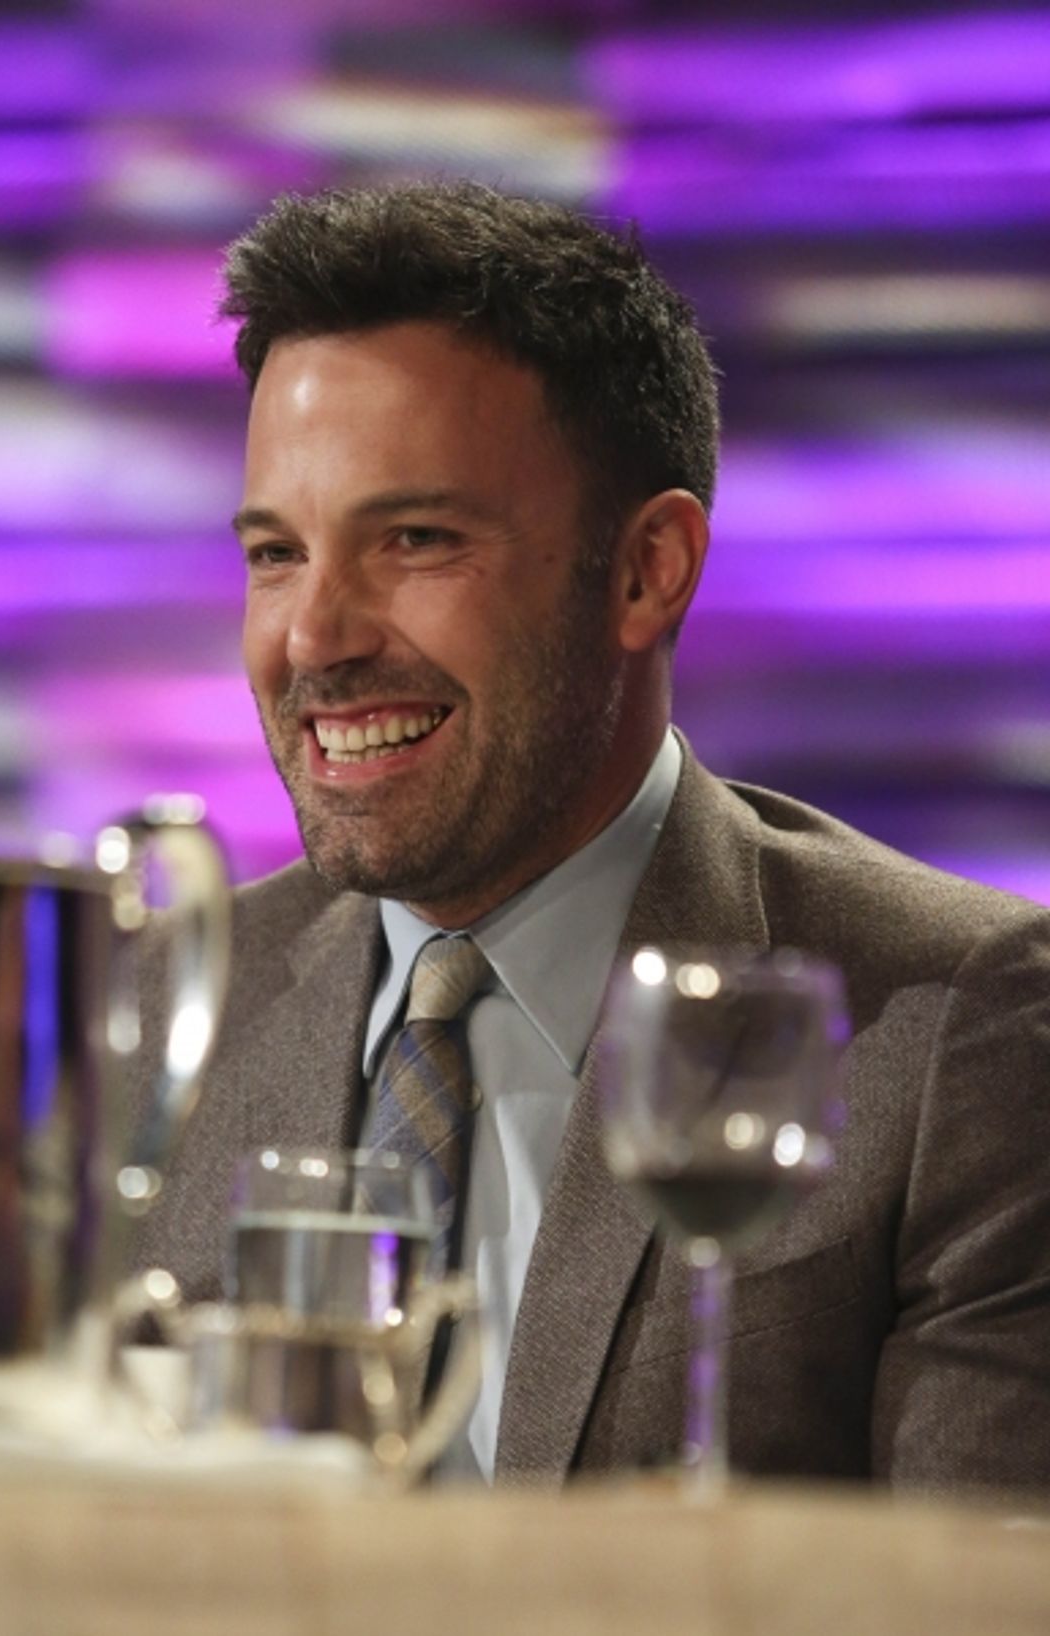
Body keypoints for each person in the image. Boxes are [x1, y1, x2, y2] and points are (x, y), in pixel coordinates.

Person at [135, 180, 1050, 1493]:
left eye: (415, 540)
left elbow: (972, 1586)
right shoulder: (160, 1013)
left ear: (646, 570)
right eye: (276, 555)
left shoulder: (961, 1026)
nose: (316, 638)